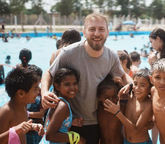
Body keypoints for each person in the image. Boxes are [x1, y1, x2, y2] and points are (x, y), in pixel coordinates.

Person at [40, 13, 133, 144]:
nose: (97, 33)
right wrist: (44, 92)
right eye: (92, 29)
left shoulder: (111, 56)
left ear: (107, 33)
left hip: (96, 122)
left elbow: (123, 76)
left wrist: (131, 86)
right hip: (71, 121)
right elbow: (49, 73)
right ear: (84, 32)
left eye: (101, 29)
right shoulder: (68, 53)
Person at [104, 69, 153, 144]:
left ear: (149, 88)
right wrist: (128, 84)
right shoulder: (130, 95)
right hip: (126, 141)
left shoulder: (148, 105)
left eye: (142, 85)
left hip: (141, 142)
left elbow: (135, 130)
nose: (137, 88)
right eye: (135, 84)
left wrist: (117, 112)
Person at [39, 68, 85, 144]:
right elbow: (50, 135)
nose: (72, 87)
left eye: (75, 83)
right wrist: (77, 138)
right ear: (57, 86)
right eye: (67, 84)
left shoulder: (59, 102)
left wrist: (70, 122)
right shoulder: (63, 106)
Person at [0, 68, 44, 144]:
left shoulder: (23, 106)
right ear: (21, 93)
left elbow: (20, 125)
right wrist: (16, 130)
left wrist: (33, 126)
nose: (39, 91)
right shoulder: (6, 112)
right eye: (35, 89)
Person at [97, 74, 125, 144]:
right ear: (99, 98)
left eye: (114, 96)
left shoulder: (122, 108)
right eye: (107, 98)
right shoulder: (98, 109)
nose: (111, 100)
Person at [26, 65, 46, 144]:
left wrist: (26, 113)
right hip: (25, 128)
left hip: (37, 130)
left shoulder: (42, 94)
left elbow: (41, 114)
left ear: (40, 79)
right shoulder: (23, 93)